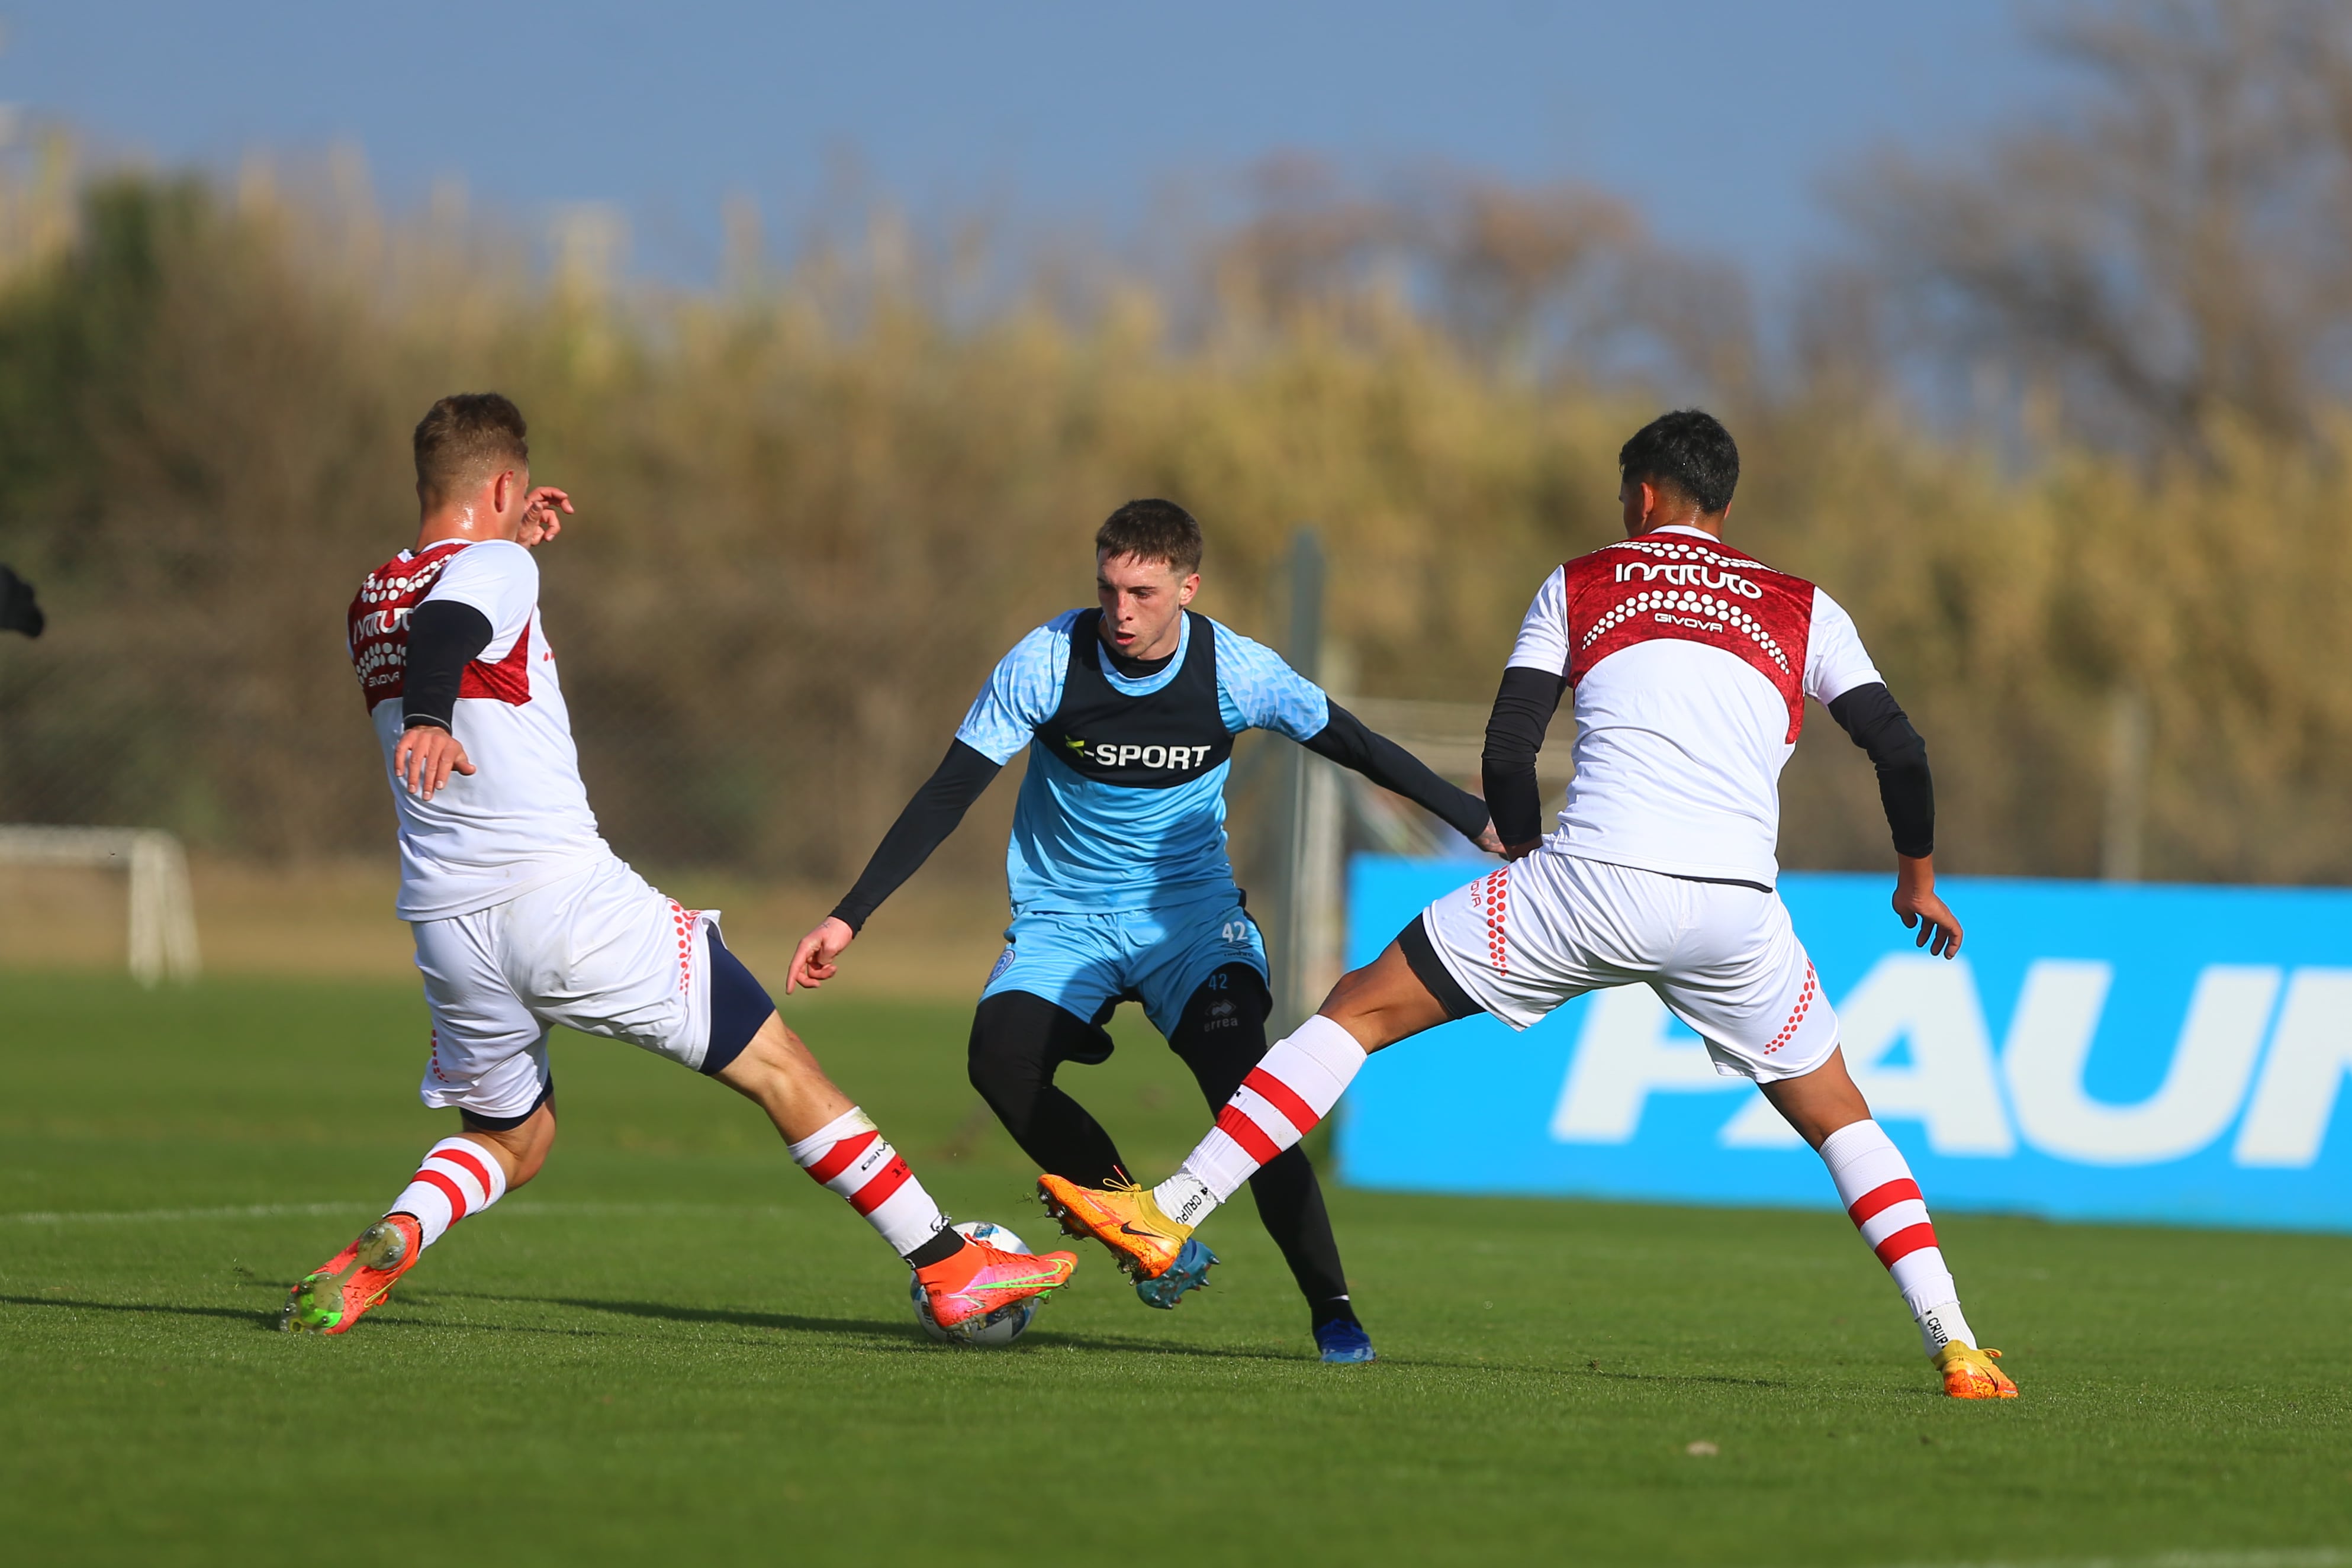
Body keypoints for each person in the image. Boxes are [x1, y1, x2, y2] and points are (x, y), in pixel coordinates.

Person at [1038, 411, 2020, 1400]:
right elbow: (1899, 748)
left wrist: (1519, 843)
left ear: (1640, 496)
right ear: (1724, 503)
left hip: (1587, 879)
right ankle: (1957, 1341)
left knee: (1358, 1011)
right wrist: (1917, 876)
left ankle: (1171, 1208)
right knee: (1839, 1115)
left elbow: (1508, 748)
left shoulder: (1584, 580)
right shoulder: (1804, 605)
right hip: (1735, 909)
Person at [282, 392, 1076, 1336]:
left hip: (446, 922)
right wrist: (432, 708)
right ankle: (952, 1267)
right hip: (563, 900)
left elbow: (445, 610)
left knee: (511, 1136)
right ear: (504, 484)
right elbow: (458, 620)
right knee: (779, 1063)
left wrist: (504, 561)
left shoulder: (371, 595)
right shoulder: (492, 567)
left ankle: (397, 1237)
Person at [789, 499, 1499, 1363]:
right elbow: (948, 790)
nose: (1120, 611)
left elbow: (1355, 743)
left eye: (1143, 591)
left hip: (1190, 924)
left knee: (1251, 1099)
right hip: (1064, 923)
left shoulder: (1237, 671)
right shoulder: (1046, 660)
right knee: (998, 1062)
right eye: (1107, 588)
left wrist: (1474, 818)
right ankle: (1140, 1224)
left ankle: (1333, 1307)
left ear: (1187, 588)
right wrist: (849, 913)